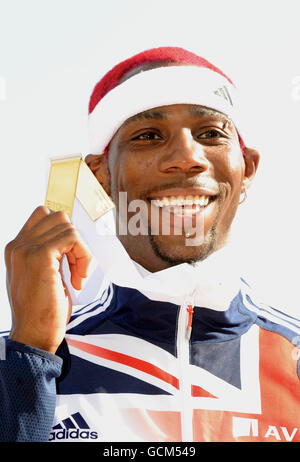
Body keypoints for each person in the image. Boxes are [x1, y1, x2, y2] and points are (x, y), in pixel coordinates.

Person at [1, 47, 300, 443]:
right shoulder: (22, 360)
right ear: (100, 177)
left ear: (247, 169)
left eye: (211, 133)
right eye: (148, 136)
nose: (186, 157)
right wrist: (31, 358)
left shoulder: (293, 357)